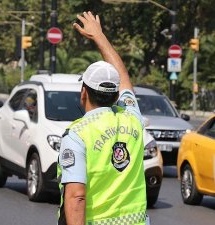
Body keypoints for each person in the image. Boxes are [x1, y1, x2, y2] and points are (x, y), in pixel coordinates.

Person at [57, 12, 149, 225]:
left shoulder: (78, 135)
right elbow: (124, 77)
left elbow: (76, 196)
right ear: (117, 96)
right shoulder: (132, 118)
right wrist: (99, 36)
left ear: (83, 93)